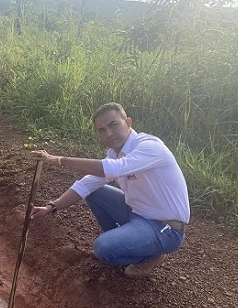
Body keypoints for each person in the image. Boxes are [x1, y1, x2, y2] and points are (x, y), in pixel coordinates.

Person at [30, 102, 190, 278]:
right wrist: (51, 207)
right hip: (138, 213)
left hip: (165, 227)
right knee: (95, 191)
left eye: (113, 125)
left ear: (128, 122)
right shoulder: (114, 153)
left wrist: (60, 160)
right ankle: (126, 242)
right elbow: (87, 184)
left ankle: (150, 256)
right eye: (102, 130)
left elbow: (114, 169)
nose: (109, 133)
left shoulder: (149, 147)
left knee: (103, 249)